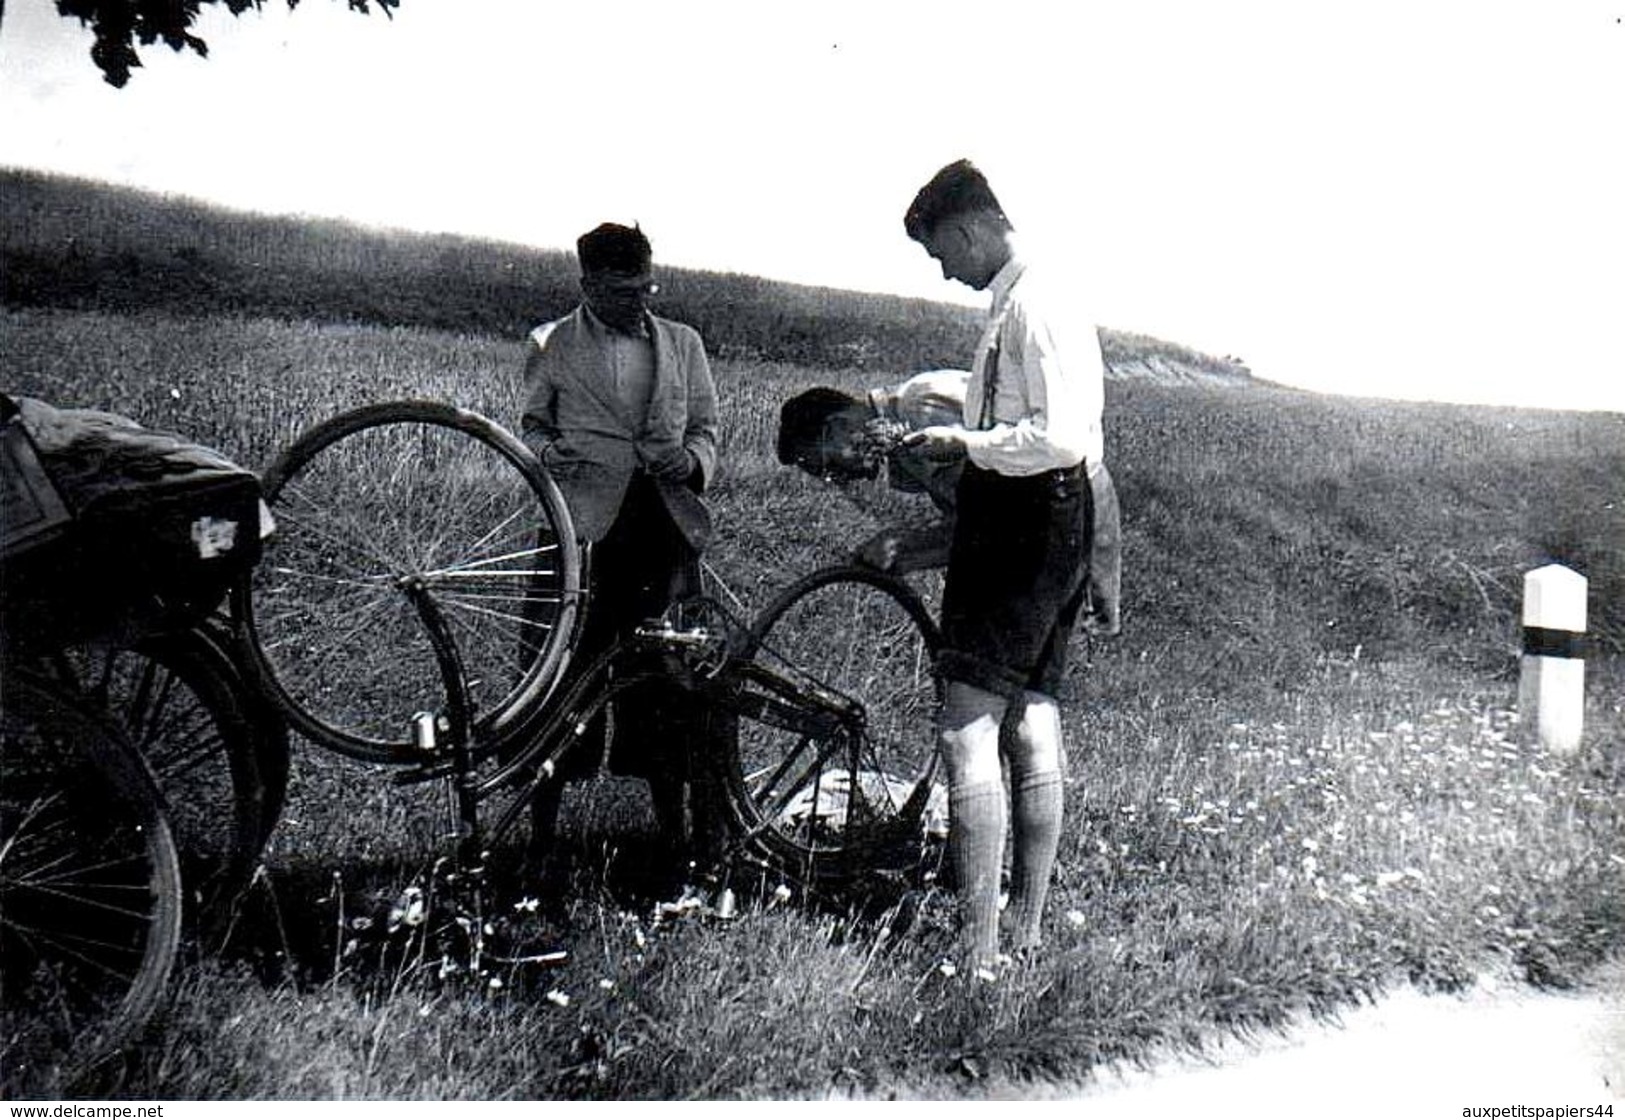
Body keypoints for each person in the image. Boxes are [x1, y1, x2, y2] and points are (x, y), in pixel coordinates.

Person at [895, 159, 1105, 971]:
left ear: (969, 228)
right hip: (1047, 517)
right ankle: (1019, 936)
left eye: (941, 252)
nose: (945, 270)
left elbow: (1057, 437)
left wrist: (964, 443)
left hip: (1023, 517)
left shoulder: (1034, 304)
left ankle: (979, 955)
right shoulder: (1022, 299)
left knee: (967, 729)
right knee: (1029, 717)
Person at [519, 222, 724, 888]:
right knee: (559, 679)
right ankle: (540, 838)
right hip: (579, 533)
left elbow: (707, 430)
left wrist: (690, 462)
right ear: (587, 286)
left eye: (644, 287)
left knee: (670, 679)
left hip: (662, 531)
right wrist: (555, 457)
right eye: (618, 291)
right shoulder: (549, 343)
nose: (636, 301)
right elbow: (531, 429)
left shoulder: (683, 344)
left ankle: (676, 840)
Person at [775, 369, 1121, 636]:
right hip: (1044, 521)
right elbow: (971, 528)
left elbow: (999, 515)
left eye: (827, 466)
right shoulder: (902, 441)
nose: (837, 478)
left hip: (1068, 508)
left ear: (836, 427)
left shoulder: (919, 409)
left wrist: (903, 544)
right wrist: (906, 555)